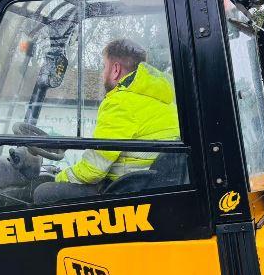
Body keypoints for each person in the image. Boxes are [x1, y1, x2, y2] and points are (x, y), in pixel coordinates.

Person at [33, 38, 179, 204]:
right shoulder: (164, 102)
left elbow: (93, 170)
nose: (103, 73)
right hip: (144, 187)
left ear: (115, 69)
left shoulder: (120, 102)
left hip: (122, 192)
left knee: (42, 193)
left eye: (104, 67)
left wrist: (59, 176)